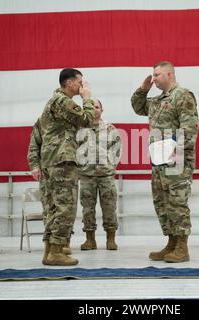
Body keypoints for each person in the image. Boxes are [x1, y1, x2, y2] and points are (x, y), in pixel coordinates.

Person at [130, 61, 199, 263]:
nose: (154, 78)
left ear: (170, 74)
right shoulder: (157, 101)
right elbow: (137, 106)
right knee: (162, 203)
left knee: (177, 202)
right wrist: (143, 89)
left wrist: (177, 150)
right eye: (153, 75)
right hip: (158, 160)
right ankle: (171, 242)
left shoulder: (183, 95)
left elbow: (190, 127)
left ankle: (182, 247)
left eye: (158, 75)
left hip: (176, 159)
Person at [31, 68, 97, 266]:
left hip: (53, 161)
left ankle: (50, 251)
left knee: (53, 208)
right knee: (65, 208)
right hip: (61, 161)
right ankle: (57, 251)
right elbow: (87, 119)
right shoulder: (62, 101)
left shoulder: (54, 101)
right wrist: (87, 98)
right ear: (69, 83)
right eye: (80, 82)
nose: (82, 86)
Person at [77, 99, 121, 251]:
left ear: (102, 110)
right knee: (87, 209)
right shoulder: (80, 129)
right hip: (86, 176)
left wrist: (109, 166)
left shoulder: (110, 129)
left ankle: (111, 239)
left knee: (109, 207)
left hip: (106, 176)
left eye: (97, 107)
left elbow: (117, 151)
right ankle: (90, 240)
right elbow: (74, 150)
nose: (95, 109)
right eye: (92, 107)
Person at [27, 118, 72, 257]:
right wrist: (34, 166)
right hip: (48, 171)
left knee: (66, 209)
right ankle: (50, 247)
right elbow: (34, 144)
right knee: (49, 208)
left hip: (67, 172)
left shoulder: (72, 119)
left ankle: (64, 243)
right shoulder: (43, 121)